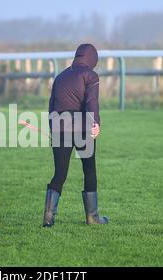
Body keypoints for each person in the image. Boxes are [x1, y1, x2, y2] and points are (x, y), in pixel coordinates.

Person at [43, 43, 108, 227]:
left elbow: (52, 105)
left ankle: (48, 220)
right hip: (82, 129)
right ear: (92, 58)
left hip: (59, 128)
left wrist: (52, 128)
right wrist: (95, 123)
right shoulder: (91, 75)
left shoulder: (60, 76)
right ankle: (92, 218)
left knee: (59, 174)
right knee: (89, 169)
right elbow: (91, 102)